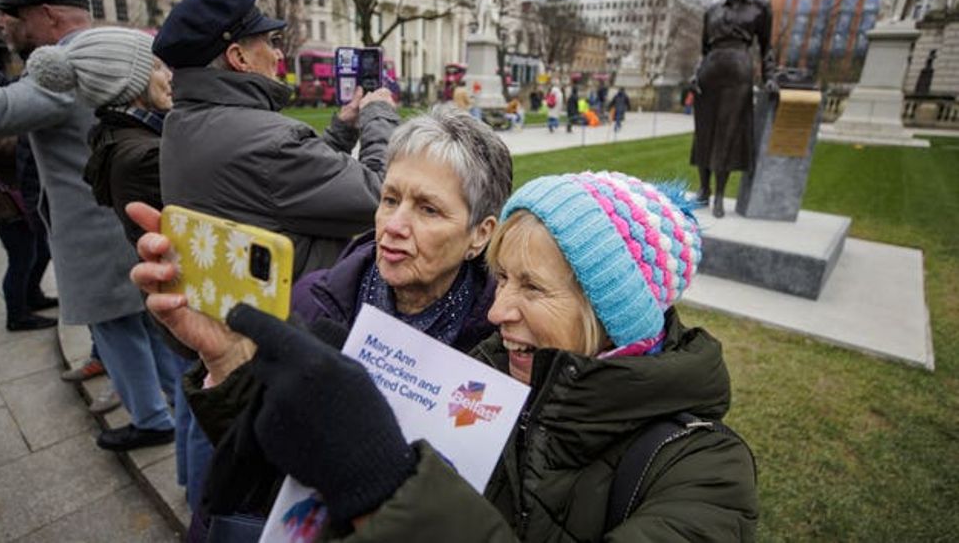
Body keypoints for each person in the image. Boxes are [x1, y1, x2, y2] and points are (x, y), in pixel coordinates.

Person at [213, 171, 758, 541]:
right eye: (501, 280)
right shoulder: (484, 373)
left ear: (612, 317)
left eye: (533, 288)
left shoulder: (704, 471)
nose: (497, 312)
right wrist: (236, 369)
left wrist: (389, 491)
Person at [126, 105, 514, 536]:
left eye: (428, 210)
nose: (394, 225)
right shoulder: (312, 301)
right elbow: (251, 451)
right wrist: (228, 366)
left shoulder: (505, 344)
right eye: (390, 199)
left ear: (480, 234)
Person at [0, 0, 175, 451]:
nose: (7, 30)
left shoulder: (67, 65)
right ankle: (176, 405)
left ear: (46, 15)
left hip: (94, 230)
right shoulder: (114, 49)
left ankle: (152, 419)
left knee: (115, 328)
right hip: (121, 218)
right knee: (151, 325)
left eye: (14, 20)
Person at [26, 26, 212, 508]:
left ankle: (194, 488)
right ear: (126, 84)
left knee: (189, 389)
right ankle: (201, 499)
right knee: (200, 398)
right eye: (154, 66)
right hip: (187, 292)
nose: (166, 75)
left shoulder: (123, 135)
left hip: (169, 293)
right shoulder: (146, 153)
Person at [153, 0, 400, 279]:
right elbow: (382, 196)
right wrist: (378, 114)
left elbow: (283, 186)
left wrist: (341, 130)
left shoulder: (180, 123)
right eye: (270, 42)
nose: (278, 54)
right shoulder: (272, 142)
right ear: (239, 58)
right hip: (304, 310)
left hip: (238, 302)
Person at [691, 0, 776, 218]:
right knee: (704, 132)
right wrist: (696, 74)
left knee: (727, 134)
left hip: (739, 70)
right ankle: (703, 189)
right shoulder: (713, 11)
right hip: (710, 71)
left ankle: (719, 195)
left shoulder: (760, 9)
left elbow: (767, 49)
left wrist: (769, 78)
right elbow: (703, 49)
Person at [0, 134, 55, 330]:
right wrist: (31, 136)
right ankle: (17, 316)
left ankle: (32, 295)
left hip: (12, 195)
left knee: (41, 250)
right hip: (1, 203)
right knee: (22, 258)